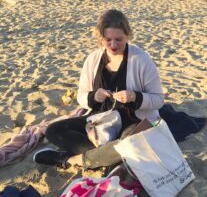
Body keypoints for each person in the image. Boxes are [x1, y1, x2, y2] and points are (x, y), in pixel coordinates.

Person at [33, 9, 164, 170]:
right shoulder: (93, 59)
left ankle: (69, 159)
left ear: (128, 36)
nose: (113, 45)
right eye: (108, 40)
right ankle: (107, 156)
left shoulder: (142, 60)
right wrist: (93, 96)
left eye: (119, 39)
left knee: (131, 142)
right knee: (53, 131)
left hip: (131, 121)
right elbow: (81, 96)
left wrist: (135, 97)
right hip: (99, 120)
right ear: (100, 38)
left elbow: (158, 100)